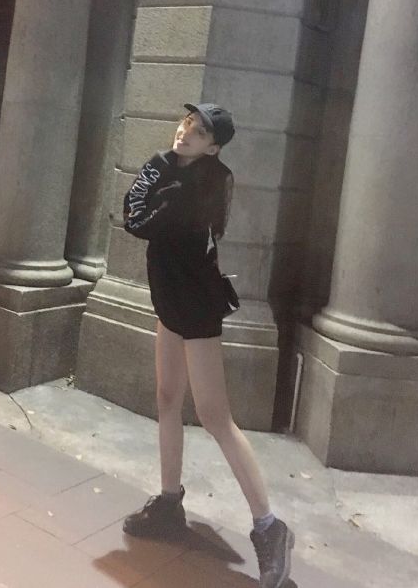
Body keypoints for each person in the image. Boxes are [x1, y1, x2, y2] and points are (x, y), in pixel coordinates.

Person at [122, 103, 294, 588]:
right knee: (167, 399)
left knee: (216, 417)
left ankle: (271, 528)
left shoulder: (205, 182)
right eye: (186, 124)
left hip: (195, 305)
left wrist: (158, 177)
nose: (185, 133)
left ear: (213, 147)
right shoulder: (170, 169)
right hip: (170, 298)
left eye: (198, 133)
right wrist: (160, 170)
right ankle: (169, 503)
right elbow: (134, 211)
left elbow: (139, 221)